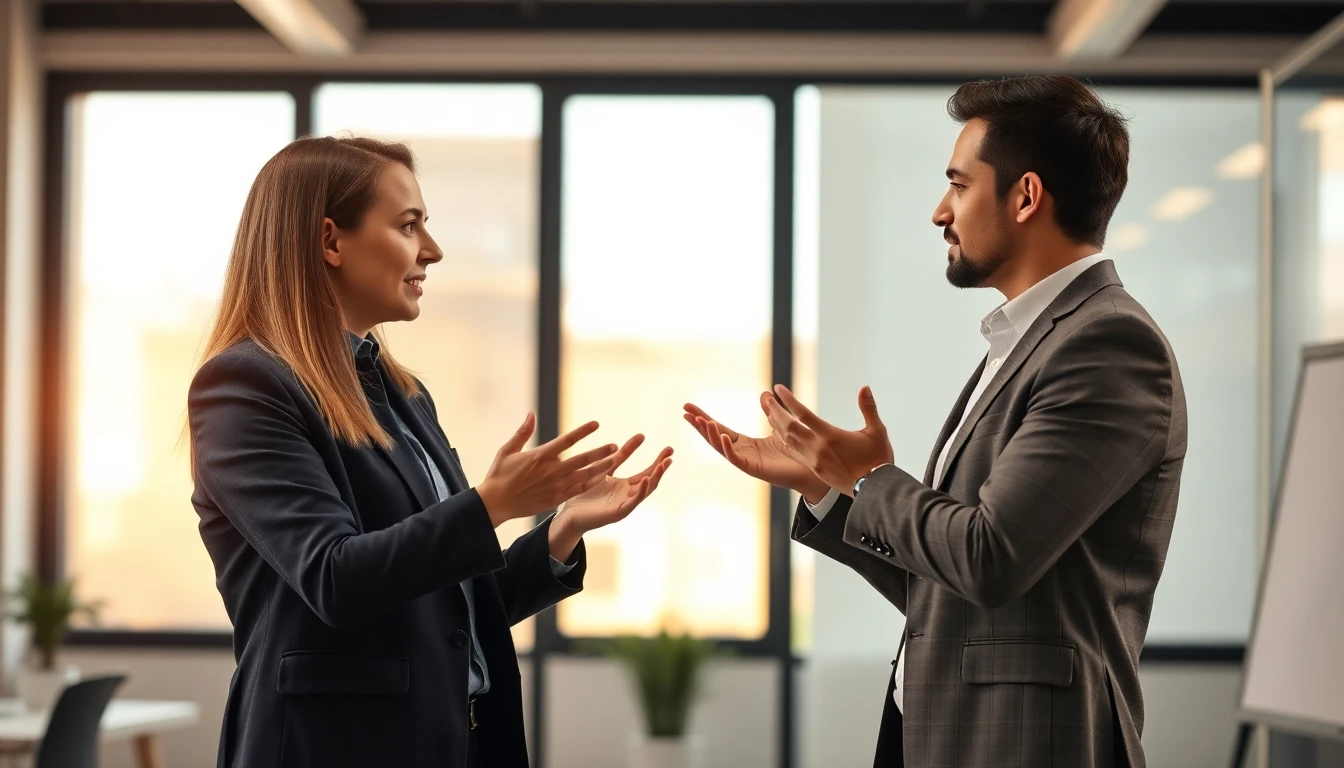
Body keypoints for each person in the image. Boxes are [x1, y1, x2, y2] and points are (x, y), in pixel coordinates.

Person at [685, 74, 1186, 768]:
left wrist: (871, 476)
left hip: (1026, 743)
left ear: (1026, 196)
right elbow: (946, 588)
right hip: (945, 731)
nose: (938, 212)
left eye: (958, 184)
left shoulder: (1106, 346)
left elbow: (989, 558)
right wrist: (828, 490)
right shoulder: (1028, 343)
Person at [188, 135, 673, 768]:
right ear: (330, 241)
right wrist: (491, 504)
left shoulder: (403, 393)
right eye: (408, 225)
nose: (432, 251)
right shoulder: (246, 386)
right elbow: (336, 578)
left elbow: (451, 608)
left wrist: (562, 528)